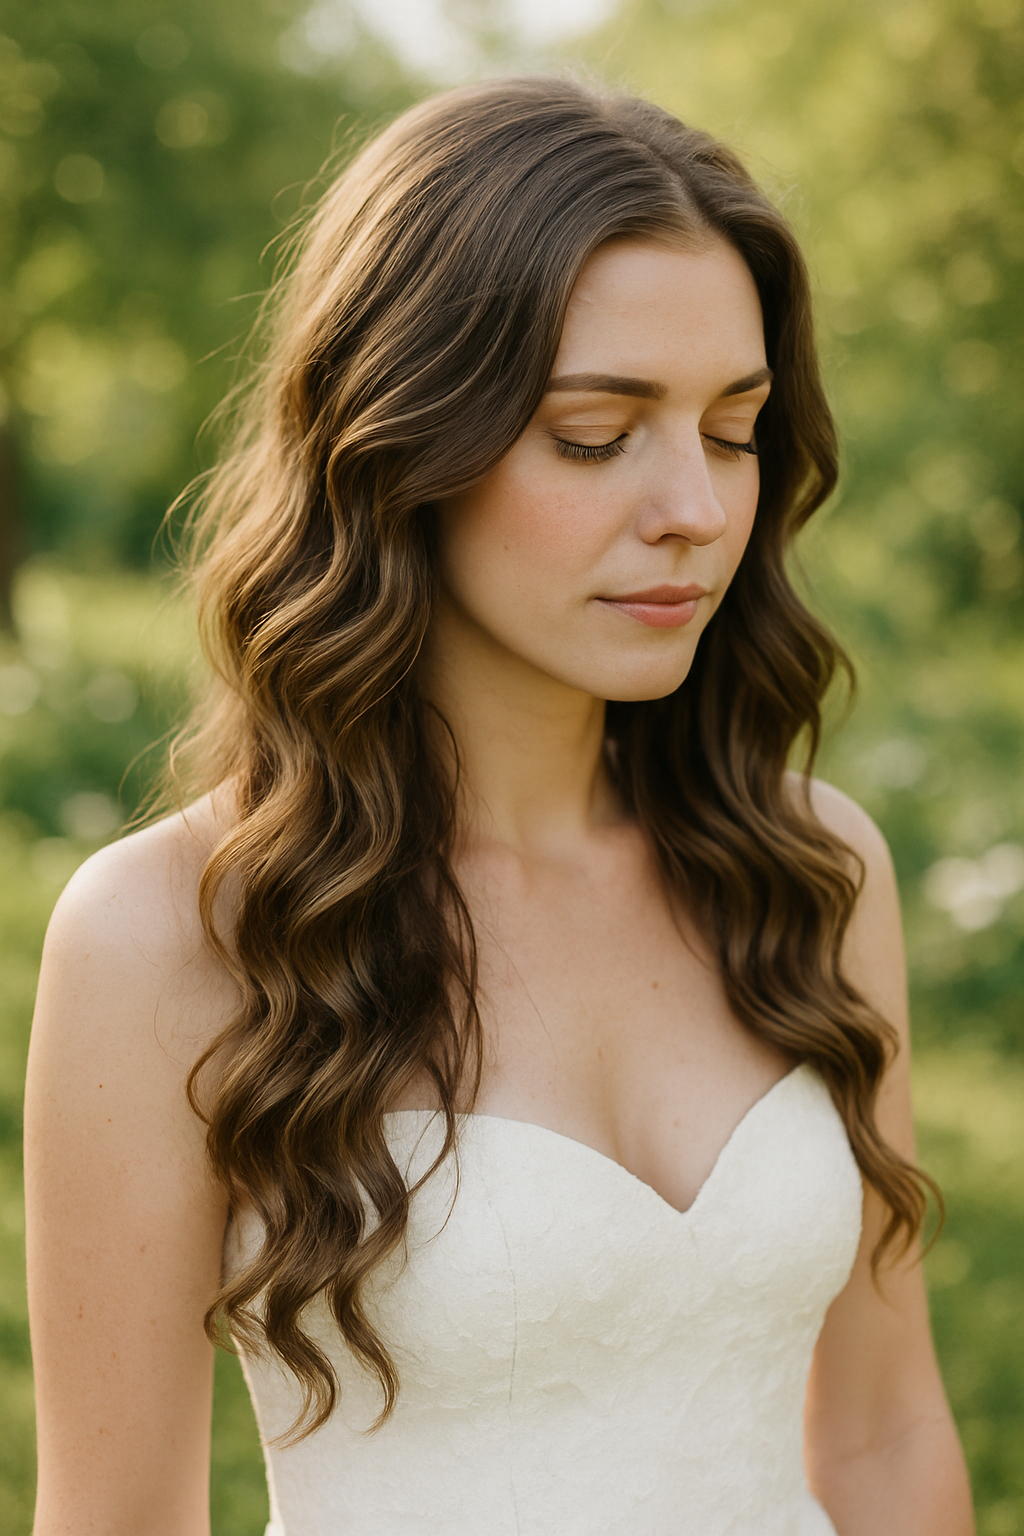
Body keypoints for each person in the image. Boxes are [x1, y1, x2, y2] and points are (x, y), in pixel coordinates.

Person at [24, 76, 974, 1536]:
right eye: (596, 434)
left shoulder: (814, 865)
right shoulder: (172, 934)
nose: (696, 509)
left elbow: (885, 1436)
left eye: (734, 429)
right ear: (400, 444)